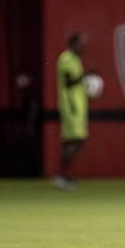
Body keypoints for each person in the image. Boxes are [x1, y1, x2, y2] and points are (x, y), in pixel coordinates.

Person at [55, 33, 89, 190]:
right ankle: (61, 176)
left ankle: (64, 175)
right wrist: (85, 76)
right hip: (71, 107)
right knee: (76, 140)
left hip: (77, 106)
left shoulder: (75, 59)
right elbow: (69, 81)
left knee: (72, 141)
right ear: (74, 43)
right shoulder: (66, 58)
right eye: (81, 43)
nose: (84, 46)